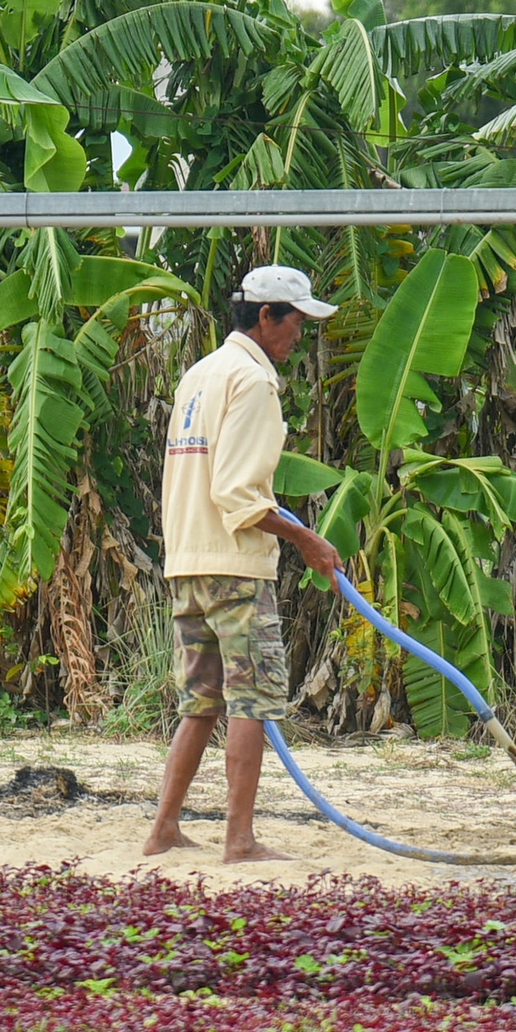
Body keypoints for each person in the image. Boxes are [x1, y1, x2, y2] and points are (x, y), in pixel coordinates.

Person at [143, 265, 344, 862]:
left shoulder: (201, 374)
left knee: (200, 699)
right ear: (265, 317)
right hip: (233, 562)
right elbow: (238, 494)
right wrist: (306, 540)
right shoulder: (253, 382)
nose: (300, 337)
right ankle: (240, 839)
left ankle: (163, 831)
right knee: (250, 700)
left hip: (186, 558)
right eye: (297, 323)